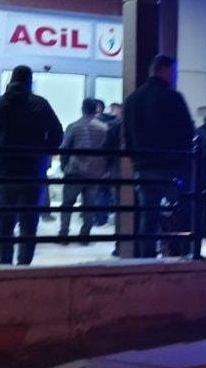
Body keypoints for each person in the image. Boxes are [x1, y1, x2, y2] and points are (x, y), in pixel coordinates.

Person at [0, 65, 63, 265]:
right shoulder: (40, 104)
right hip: (33, 169)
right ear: (29, 80)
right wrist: (44, 151)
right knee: (29, 222)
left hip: (4, 169)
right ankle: (24, 263)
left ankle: (5, 261)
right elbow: (57, 132)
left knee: (5, 221)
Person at [123, 54, 194, 258]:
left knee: (148, 218)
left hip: (143, 167)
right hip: (172, 167)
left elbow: (127, 136)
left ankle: (146, 260)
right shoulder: (174, 97)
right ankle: (185, 254)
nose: (175, 76)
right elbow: (187, 131)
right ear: (165, 70)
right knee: (182, 212)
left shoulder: (132, 100)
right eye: (174, 71)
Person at [59, 98, 110, 240]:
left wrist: (64, 166)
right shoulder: (104, 128)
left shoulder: (74, 126)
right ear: (96, 110)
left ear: (82, 109)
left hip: (75, 171)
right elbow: (107, 151)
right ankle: (85, 234)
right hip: (95, 172)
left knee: (67, 204)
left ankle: (64, 233)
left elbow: (65, 148)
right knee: (89, 205)